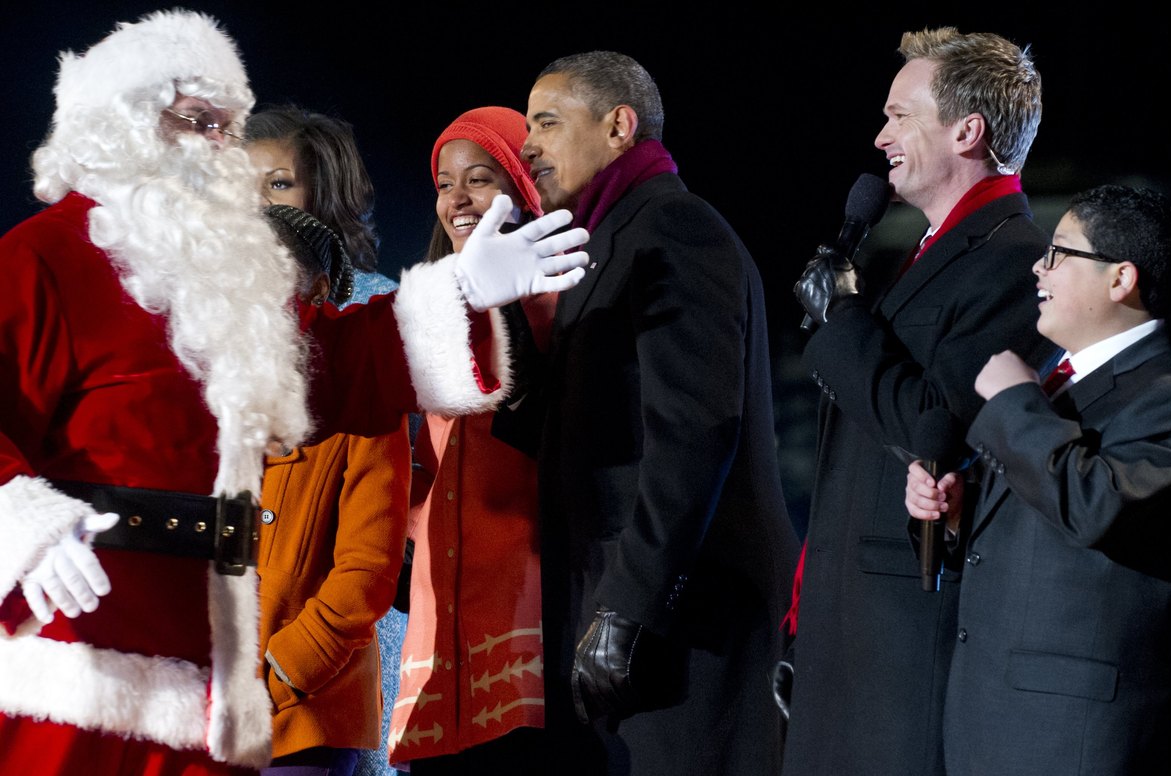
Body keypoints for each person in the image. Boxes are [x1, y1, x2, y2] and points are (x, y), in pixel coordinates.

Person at [0, 10, 587, 775]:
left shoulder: (235, 275)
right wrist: (24, 521)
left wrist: (463, 290)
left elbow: (335, 364)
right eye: (196, 123)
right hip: (82, 656)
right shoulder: (42, 258)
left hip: (216, 664)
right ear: (125, 128)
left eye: (227, 127)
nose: (220, 148)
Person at [512, 51, 800, 775]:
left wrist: (626, 610)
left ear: (619, 125)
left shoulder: (674, 228)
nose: (528, 147)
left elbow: (694, 432)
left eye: (547, 122)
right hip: (628, 602)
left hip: (684, 618)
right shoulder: (606, 237)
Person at [786, 27, 1053, 775]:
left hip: (902, 638)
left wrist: (843, 319)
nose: (880, 137)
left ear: (967, 130)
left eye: (900, 115)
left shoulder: (1017, 260)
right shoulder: (928, 252)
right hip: (846, 630)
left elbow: (936, 427)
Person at [904, 184, 1171, 774]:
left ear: (1121, 280)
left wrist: (1015, 404)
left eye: (1060, 252)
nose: (1038, 267)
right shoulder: (1057, 381)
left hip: (1075, 739)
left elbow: (1099, 504)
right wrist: (959, 515)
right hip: (992, 723)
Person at [388, 106, 550, 775]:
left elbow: (542, 426)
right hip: (434, 613)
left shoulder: (551, 297)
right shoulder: (425, 307)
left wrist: (503, 301)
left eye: (479, 179)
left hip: (523, 608)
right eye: (445, 182)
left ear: (520, 187)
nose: (456, 198)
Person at [245, 108, 406, 776]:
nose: (257, 200)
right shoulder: (197, 322)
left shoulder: (376, 319)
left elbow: (374, 545)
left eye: (279, 183)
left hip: (326, 645)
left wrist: (288, 663)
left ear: (326, 192)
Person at [244, 105, 397, 305]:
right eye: (243, 181)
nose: (255, 199)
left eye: (279, 184)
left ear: (323, 196)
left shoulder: (380, 305)